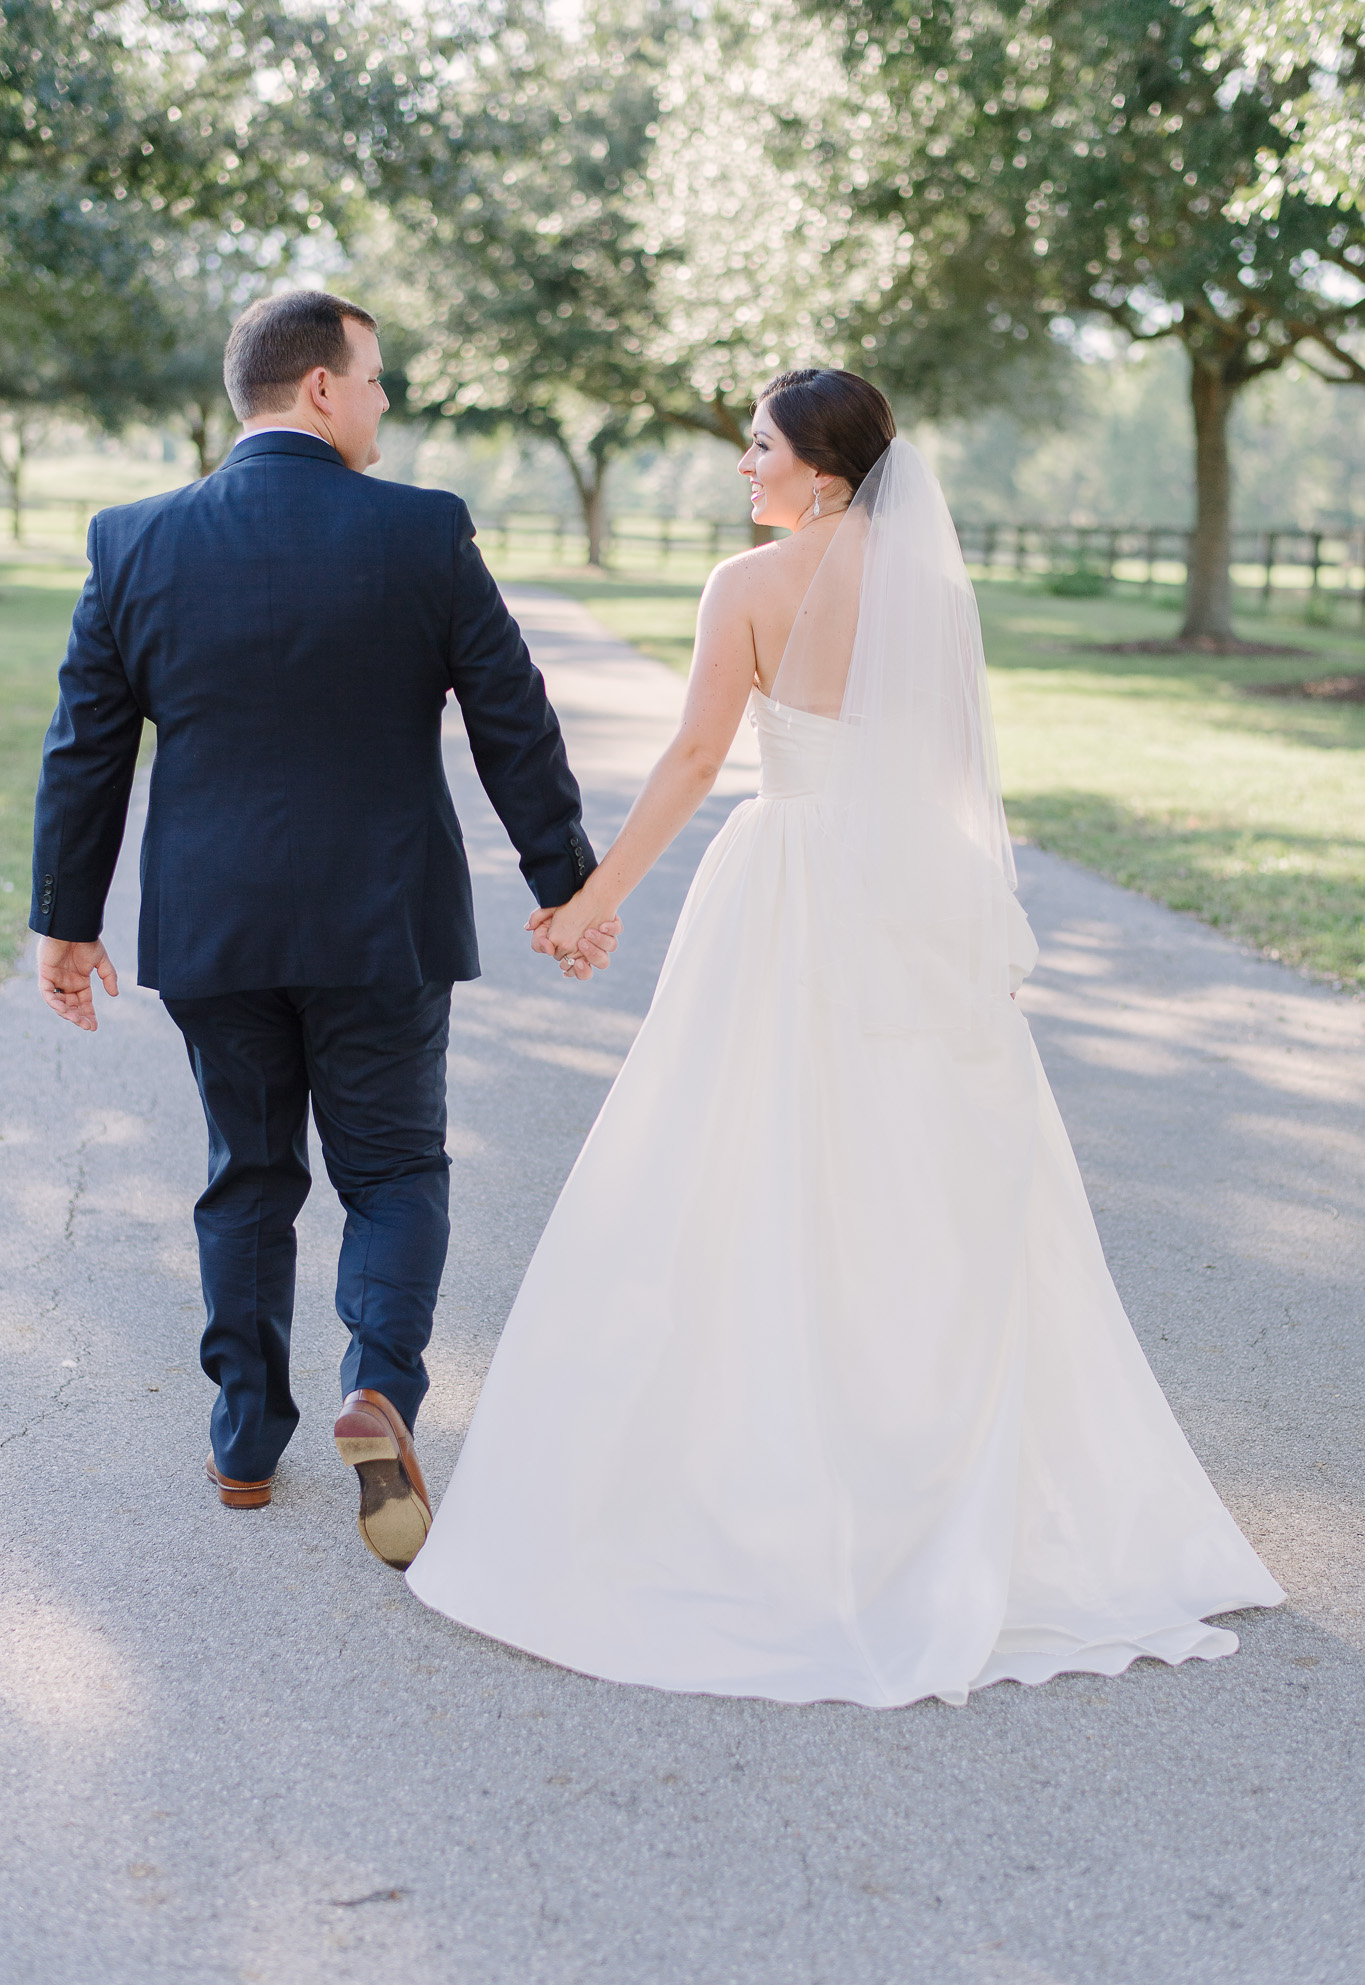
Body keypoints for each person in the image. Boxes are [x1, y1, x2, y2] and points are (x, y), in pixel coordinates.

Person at [407, 367, 1284, 1708]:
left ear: (818, 469)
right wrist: (975, 925)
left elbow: (699, 760)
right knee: (919, 1179)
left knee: (744, 1164)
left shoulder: (743, 587)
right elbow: (952, 782)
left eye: (755, 449)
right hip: (911, 899)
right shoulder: (933, 592)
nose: (738, 469)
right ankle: (918, 1468)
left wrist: (595, 897)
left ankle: (763, 1483)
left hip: (790, 883)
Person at [29, 288, 619, 1569]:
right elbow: (512, 715)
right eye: (377, 378)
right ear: (318, 388)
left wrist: (63, 923)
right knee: (395, 1170)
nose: (386, 401)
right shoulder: (422, 532)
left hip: (214, 926)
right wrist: (564, 879)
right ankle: (383, 1395)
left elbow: (86, 751)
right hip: (381, 923)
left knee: (249, 1173)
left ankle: (245, 1438)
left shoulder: (134, 539)